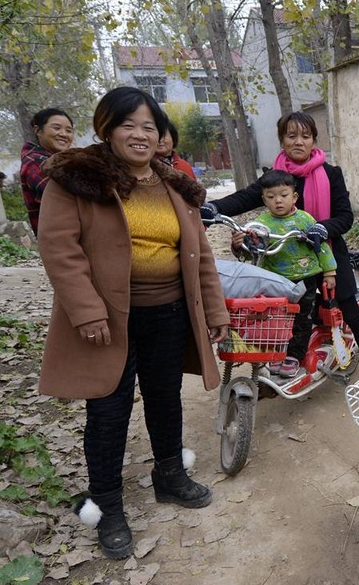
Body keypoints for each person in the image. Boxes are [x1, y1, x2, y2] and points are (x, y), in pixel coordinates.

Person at [37, 86, 230, 560]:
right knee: (108, 411)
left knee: (165, 398)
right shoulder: (77, 179)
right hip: (108, 321)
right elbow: (60, 249)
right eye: (129, 124)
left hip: (169, 314)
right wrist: (86, 310)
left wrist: (214, 309)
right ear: (107, 127)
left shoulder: (175, 186)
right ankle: (107, 506)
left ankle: (168, 475)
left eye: (149, 126)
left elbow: (200, 255)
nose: (140, 134)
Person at [209, 110, 359, 375]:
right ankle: (282, 363)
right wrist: (210, 208)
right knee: (279, 311)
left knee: (349, 308)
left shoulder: (331, 174)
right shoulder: (274, 178)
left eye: (305, 136)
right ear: (282, 140)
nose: (298, 141)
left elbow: (345, 217)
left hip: (325, 251)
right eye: (291, 136)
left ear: (313, 140)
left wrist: (320, 229)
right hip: (283, 257)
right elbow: (243, 198)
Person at [248, 169, 336, 380]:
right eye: (271, 197)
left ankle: (294, 356)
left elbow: (321, 247)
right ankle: (278, 353)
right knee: (277, 318)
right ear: (264, 199)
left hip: (305, 277)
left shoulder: (305, 220)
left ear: (294, 196)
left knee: (301, 317)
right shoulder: (261, 224)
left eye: (284, 195)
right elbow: (250, 248)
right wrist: (245, 242)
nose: (278, 201)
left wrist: (329, 271)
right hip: (275, 279)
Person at [20, 107, 74, 234]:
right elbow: (71, 195)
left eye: (69, 130)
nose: (63, 134)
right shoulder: (36, 162)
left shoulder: (58, 160)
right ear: (38, 131)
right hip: (59, 241)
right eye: (56, 128)